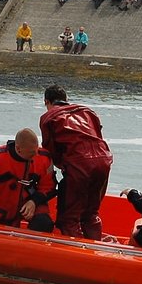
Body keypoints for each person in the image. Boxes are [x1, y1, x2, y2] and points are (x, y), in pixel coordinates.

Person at [39, 85, 113, 239]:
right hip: (104, 160)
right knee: (90, 213)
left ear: (47, 101)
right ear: (67, 100)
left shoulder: (49, 117)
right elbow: (97, 136)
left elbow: (49, 150)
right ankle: (95, 246)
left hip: (80, 163)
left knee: (69, 217)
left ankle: (73, 251)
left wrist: (62, 167)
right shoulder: (88, 112)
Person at [0, 128, 56, 232]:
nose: (36, 155)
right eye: (31, 153)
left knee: (43, 223)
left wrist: (34, 202)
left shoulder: (44, 158)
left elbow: (49, 187)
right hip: (4, 208)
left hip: (33, 203)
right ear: (18, 148)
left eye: (36, 150)